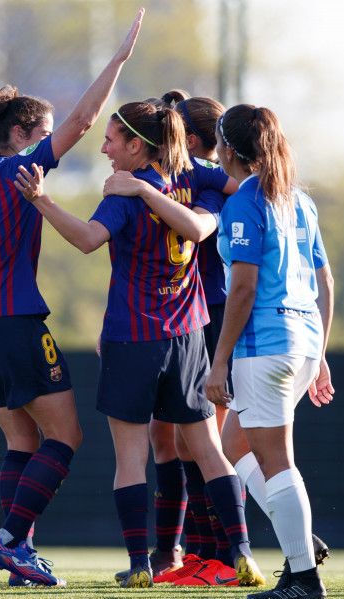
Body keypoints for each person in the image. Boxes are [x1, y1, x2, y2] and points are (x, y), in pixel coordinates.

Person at [15, 99, 265, 589]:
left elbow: (88, 240)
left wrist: (42, 201)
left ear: (136, 144)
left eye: (111, 140)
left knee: (131, 459)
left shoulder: (125, 193)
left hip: (133, 337)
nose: (105, 149)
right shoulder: (197, 178)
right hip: (188, 336)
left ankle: (138, 566)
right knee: (209, 451)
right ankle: (242, 554)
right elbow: (240, 190)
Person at [0, 9, 144, 588]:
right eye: (44, 133)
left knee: (21, 439)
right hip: (13, 320)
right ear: (25, 135)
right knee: (66, 436)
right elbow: (82, 118)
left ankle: (20, 552)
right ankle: (8, 540)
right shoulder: (18, 172)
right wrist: (119, 60)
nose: (55, 142)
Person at [103, 90, 243, 586]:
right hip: (165, 322)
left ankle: (221, 553)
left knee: (207, 443)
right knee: (172, 443)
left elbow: (206, 224)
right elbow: (128, 257)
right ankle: (173, 554)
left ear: (196, 142)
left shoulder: (205, 181)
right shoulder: (166, 178)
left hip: (209, 316)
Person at [203, 104, 335, 599]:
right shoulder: (300, 200)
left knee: (277, 462)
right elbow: (325, 282)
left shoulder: (245, 202)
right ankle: (299, 537)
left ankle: (302, 575)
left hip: (266, 346)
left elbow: (243, 290)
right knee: (234, 446)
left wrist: (220, 361)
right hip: (300, 343)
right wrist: (319, 353)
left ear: (230, 151)